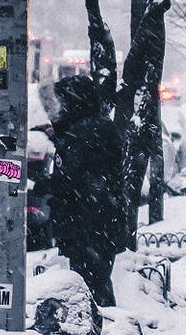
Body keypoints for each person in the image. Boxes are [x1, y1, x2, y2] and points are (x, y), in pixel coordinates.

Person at [48, 74, 128, 307]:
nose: (59, 108)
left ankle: (105, 333)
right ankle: (103, 331)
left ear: (75, 102)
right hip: (93, 225)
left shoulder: (88, 133)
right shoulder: (90, 128)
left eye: (63, 102)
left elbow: (75, 177)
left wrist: (49, 185)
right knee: (93, 283)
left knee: (93, 286)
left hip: (89, 226)